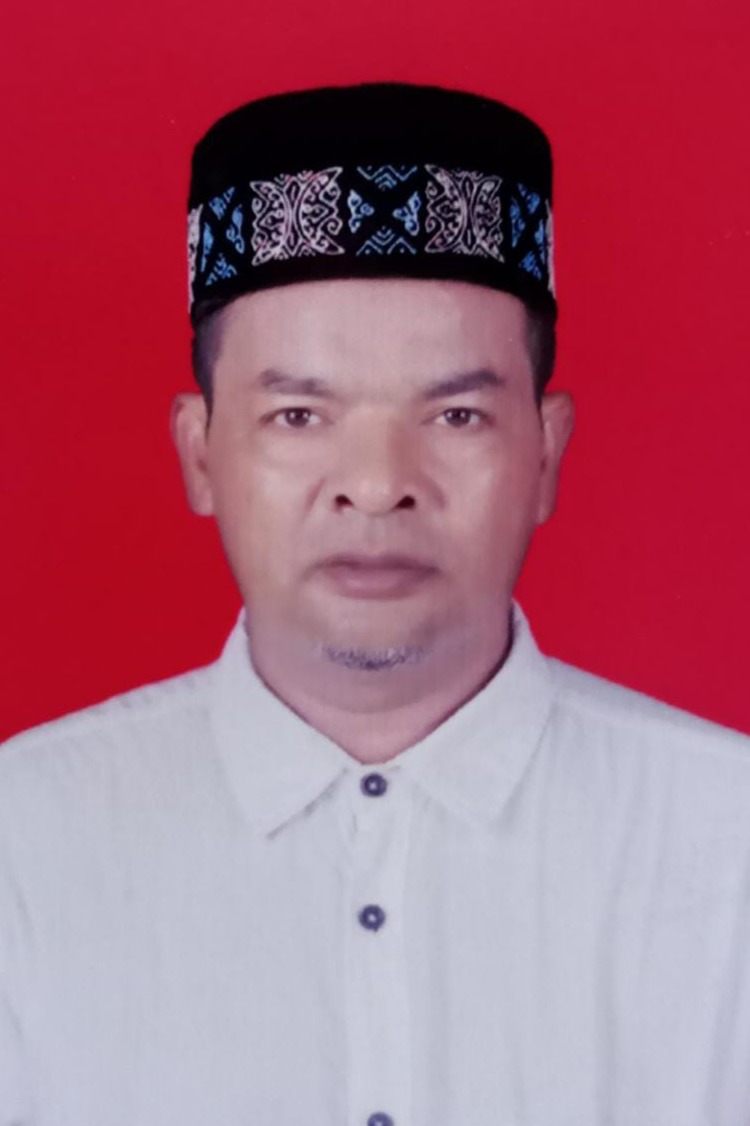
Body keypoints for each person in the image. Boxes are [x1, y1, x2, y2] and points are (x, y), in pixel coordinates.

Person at [1, 82, 749, 1126]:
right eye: (299, 414)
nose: (376, 483)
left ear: (546, 454)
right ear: (200, 453)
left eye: (455, 415)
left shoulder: (728, 842)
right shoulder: (24, 846)